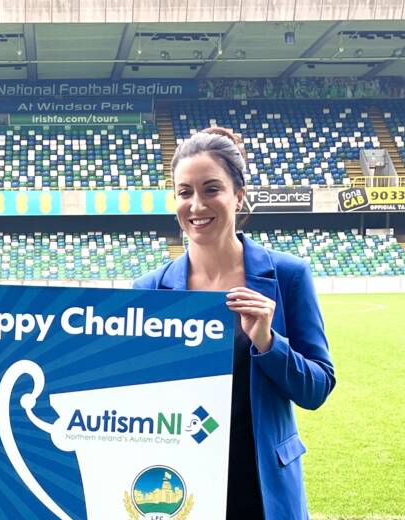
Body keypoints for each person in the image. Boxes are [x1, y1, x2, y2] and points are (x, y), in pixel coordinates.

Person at [134, 127, 336, 519]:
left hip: (261, 487)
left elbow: (317, 388)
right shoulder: (151, 290)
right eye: (184, 192)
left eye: (211, 189)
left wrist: (268, 343)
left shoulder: (288, 276)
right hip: (178, 483)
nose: (196, 205)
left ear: (238, 195)